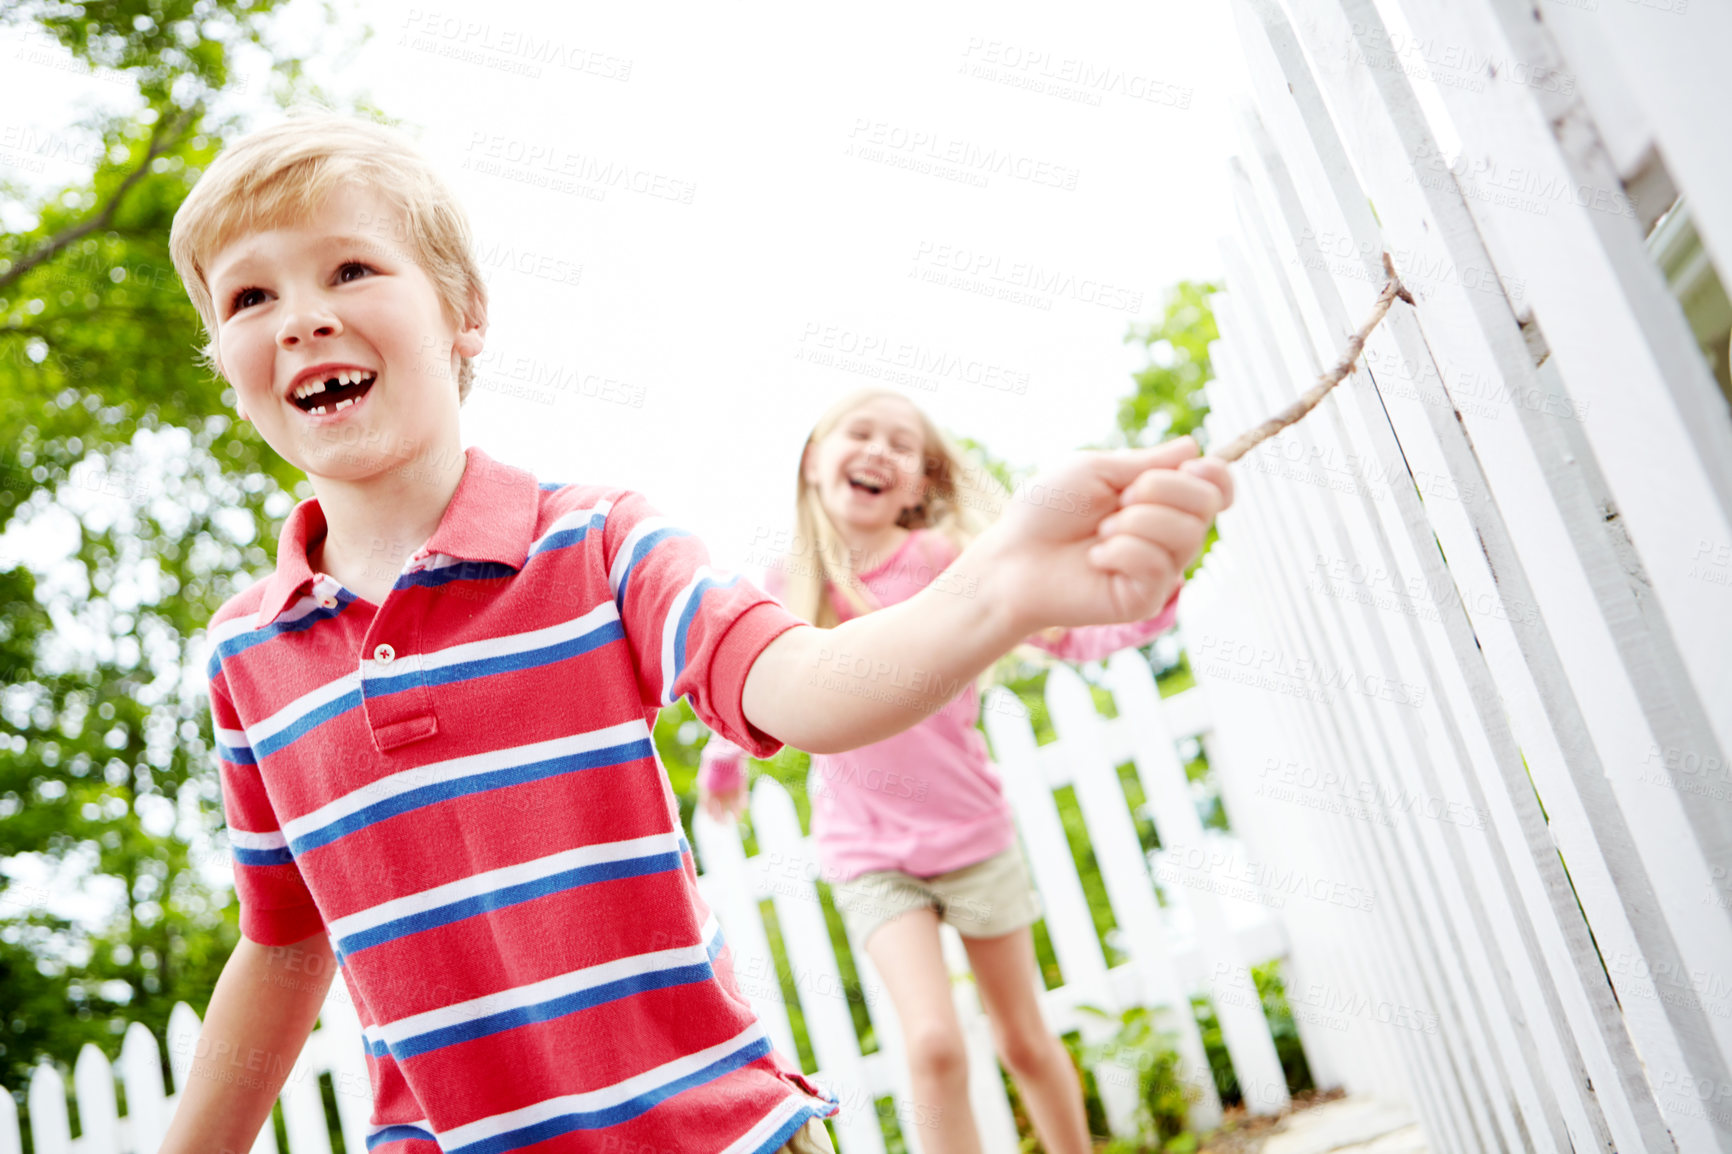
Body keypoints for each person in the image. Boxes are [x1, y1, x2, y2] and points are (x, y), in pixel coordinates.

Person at [157, 114, 1232, 1154]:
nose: (301, 316)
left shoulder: (598, 543)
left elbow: (803, 683)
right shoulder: (248, 656)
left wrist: (1001, 586)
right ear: (224, 357)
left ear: (461, 311)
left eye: (350, 270)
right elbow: (283, 940)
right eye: (253, 293)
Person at [697, 389, 1185, 1154]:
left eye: (904, 446)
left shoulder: (947, 562)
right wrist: (724, 764)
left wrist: (1148, 602)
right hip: (870, 851)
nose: (879, 451)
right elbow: (746, 672)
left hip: (972, 836)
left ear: (922, 485)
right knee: (932, 1044)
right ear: (814, 462)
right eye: (860, 433)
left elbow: (1059, 628)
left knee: (1023, 1036)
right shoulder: (785, 585)